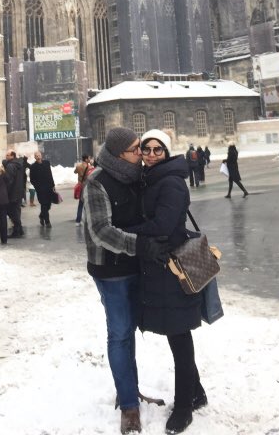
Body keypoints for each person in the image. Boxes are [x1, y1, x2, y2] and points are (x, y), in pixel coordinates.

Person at [83, 127, 169, 435]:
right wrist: (141, 245)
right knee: (119, 333)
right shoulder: (97, 181)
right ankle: (130, 407)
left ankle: (127, 388)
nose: (142, 153)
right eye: (137, 149)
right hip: (111, 270)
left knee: (129, 329)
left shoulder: (136, 177)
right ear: (121, 154)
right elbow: (101, 232)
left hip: (136, 266)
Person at [130, 129, 207, 435]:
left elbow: (163, 224)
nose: (150, 154)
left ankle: (185, 406)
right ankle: (197, 392)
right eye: (146, 149)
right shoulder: (151, 178)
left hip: (174, 267)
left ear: (166, 152)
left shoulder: (171, 182)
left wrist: (125, 230)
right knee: (176, 332)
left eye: (157, 149)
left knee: (180, 335)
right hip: (161, 266)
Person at [29, 150, 56, 228]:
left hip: (49, 188)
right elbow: (32, 179)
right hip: (40, 189)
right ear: (34, 157)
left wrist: (53, 185)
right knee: (43, 204)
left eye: (39, 155)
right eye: (36, 155)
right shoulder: (33, 166)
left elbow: (50, 174)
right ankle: (47, 222)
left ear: (41, 156)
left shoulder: (46, 163)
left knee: (48, 205)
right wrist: (37, 187)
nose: (38, 157)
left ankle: (41, 216)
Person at [3, 150, 25, 237]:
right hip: (19, 192)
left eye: (7, 155)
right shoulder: (19, 164)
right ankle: (20, 230)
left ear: (12, 156)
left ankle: (17, 231)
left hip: (12, 193)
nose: (6, 157)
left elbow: (9, 180)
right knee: (16, 211)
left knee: (12, 212)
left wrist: (6, 192)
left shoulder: (11, 166)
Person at [74, 154, 94, 225]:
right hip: (86, 186)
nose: (90, 159)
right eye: (89, 158)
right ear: (86, 159)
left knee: (80, 204)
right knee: (87, 204)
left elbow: (75, 172)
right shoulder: (90, 167)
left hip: (80, 186)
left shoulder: (78, 166)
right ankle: (86, 220)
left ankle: (78, 221)